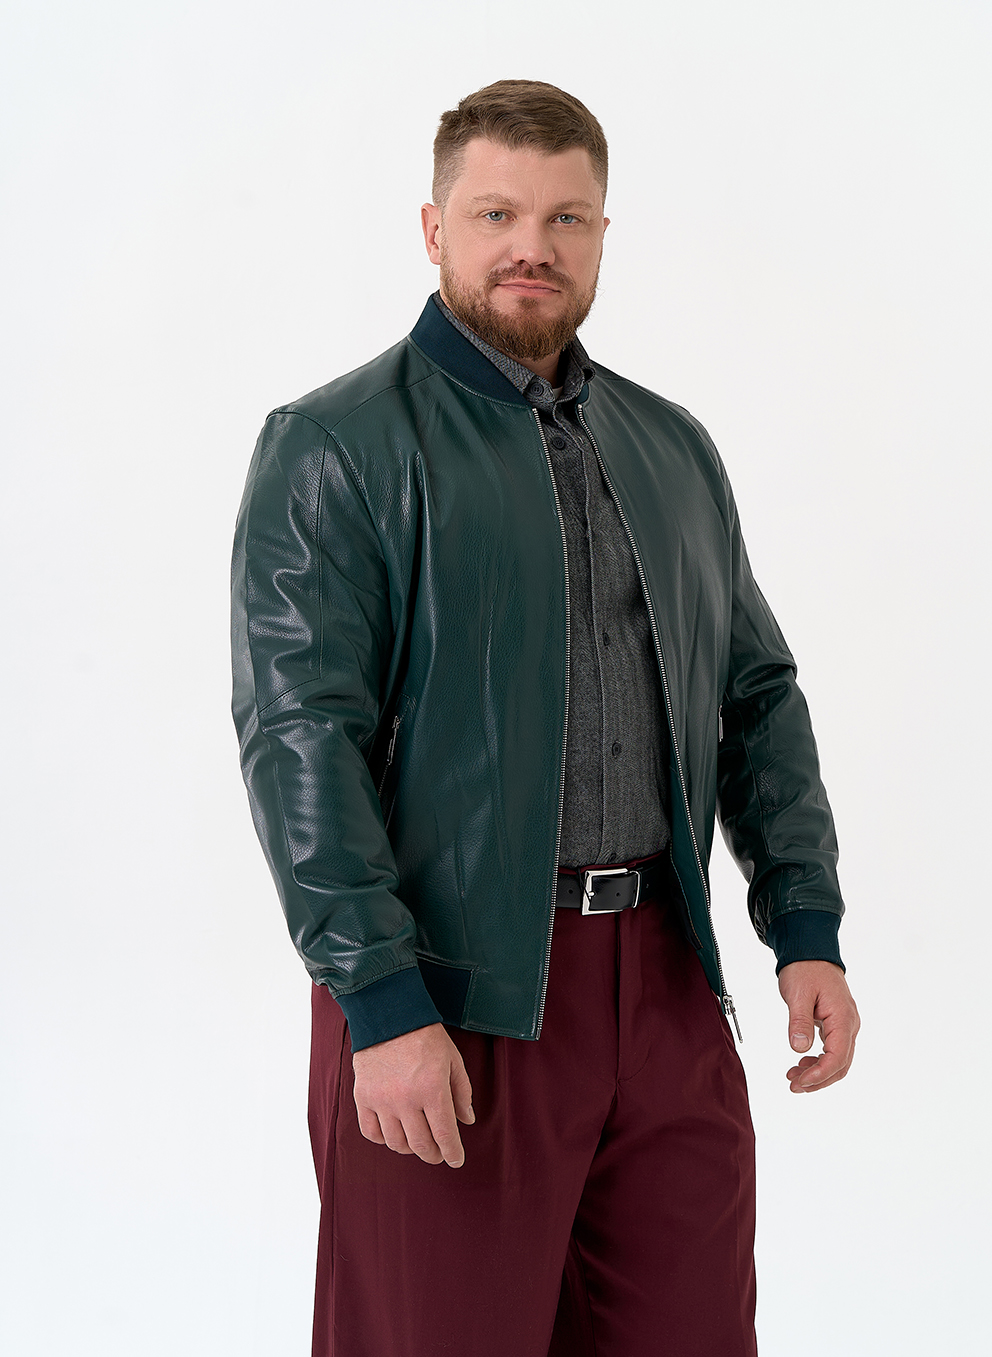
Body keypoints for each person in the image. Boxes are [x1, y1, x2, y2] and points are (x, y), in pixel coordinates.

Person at [231, 78, 860, 1357]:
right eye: (496, 214)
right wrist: (381, 1000)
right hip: (454, 993)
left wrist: (803, 923)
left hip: (668, 987)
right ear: (433, 228)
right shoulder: (334, 445)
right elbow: (301, 740)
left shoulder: (670, 445)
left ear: (601, 235)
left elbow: (755, 694)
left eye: (565, 218)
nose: (532, 245)